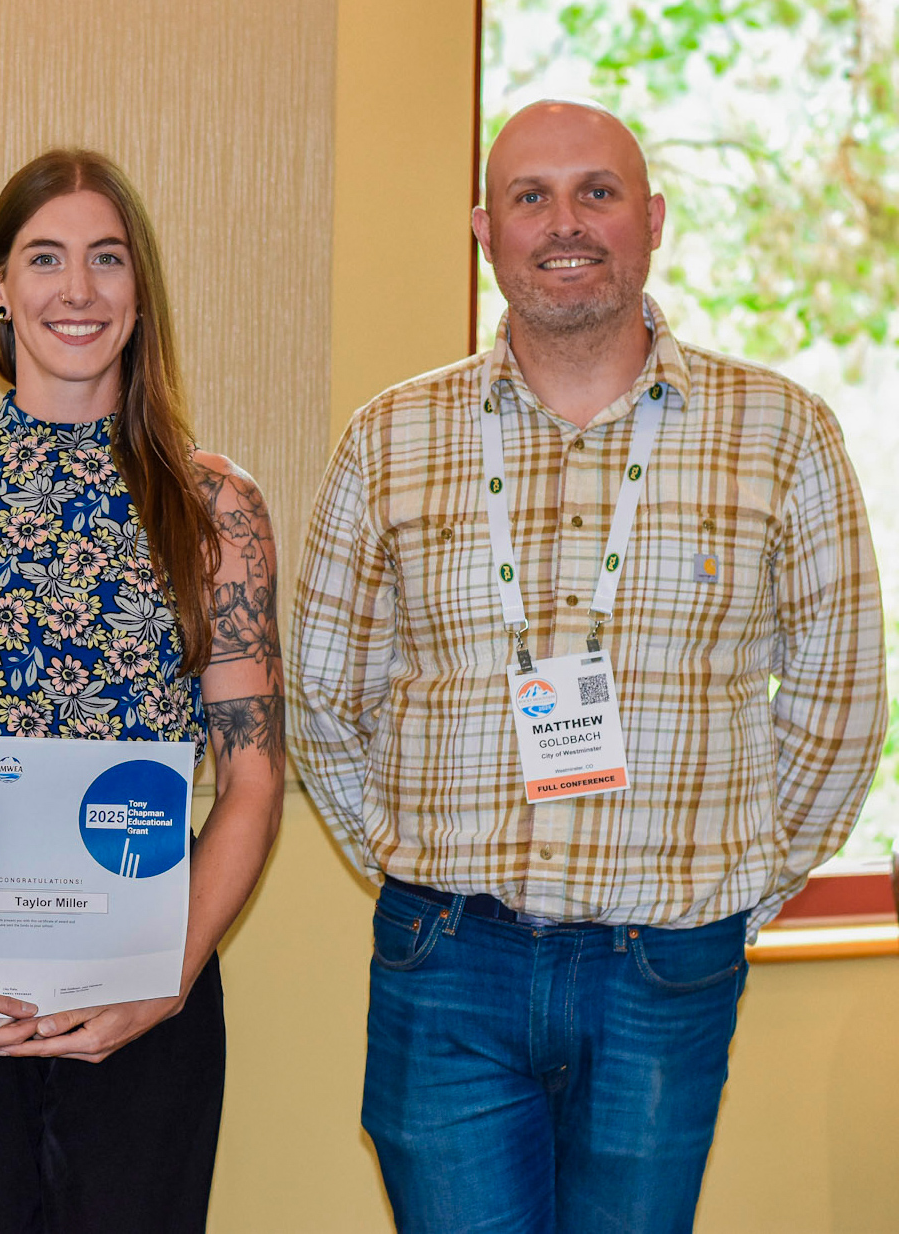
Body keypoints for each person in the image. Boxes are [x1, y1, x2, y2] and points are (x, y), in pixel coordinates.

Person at [290, 99, 888, 1233]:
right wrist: (410, 859)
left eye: (596, 192)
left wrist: (734, 889)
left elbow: (841, 701)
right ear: (484, 228)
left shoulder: (782, 432)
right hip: (447, 962)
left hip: (664, 971)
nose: (564, 222)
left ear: (651, 218)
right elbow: (325, 690)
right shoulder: (389, 438)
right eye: (531, 196)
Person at [0, 148, 285, 1233]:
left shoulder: (216, 503)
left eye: (105, 260)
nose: (76, 291)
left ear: (140, 288)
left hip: (145, 913)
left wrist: (171, 977)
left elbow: (255, 776)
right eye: (44, 259)